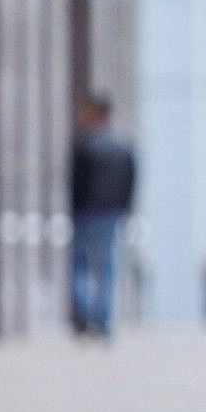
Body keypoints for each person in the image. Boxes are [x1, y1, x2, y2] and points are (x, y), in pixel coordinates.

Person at [69, 95, 135, 338]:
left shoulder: (84, 146)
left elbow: (74, 183)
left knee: (81, 265)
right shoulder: (122, 147)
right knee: (106, 267)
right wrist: (124, 210)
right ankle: (103, 320)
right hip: (110, 214)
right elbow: (130, 183)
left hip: (86, 213)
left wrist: (74, 209)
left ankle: (85, 314)